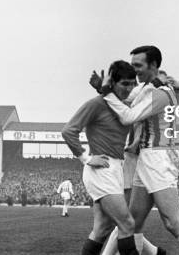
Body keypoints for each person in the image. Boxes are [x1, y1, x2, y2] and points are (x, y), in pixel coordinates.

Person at [101, 46, 179, 255]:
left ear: (154, 66)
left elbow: (129, 116)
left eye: (138, 65)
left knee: (173, 222)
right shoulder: (149, 89)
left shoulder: (160, 93)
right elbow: (125, 100)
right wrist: (104, 89)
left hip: (158, 157)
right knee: (131, 223)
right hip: (147, 157)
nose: (134, 70)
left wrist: (106, 93)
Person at [63, 60, 147, 255]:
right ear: (114, 83)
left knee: (102, 229)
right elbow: (68, 131)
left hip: (116, 168)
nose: (129, 88)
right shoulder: (96, 104)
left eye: (131, 83)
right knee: (127, 224)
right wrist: (86, 158)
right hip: (101, 170)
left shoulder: (123, 106)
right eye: (124, 83)